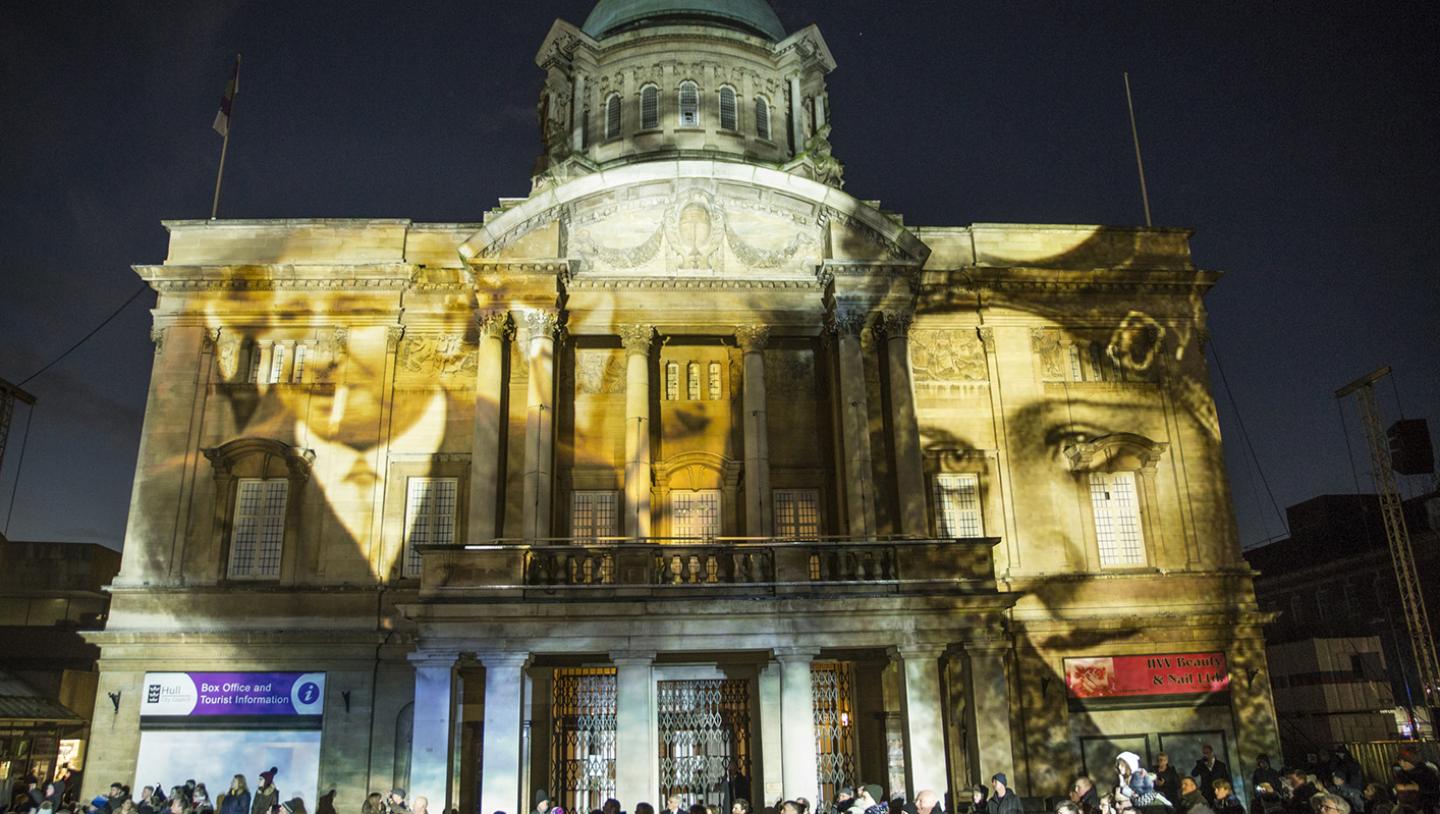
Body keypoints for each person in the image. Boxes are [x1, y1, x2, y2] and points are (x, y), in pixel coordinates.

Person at [1393, 748, 1439, 814]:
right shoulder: (1401, 773)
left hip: (1426, 807)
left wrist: (1415, 787)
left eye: (1405, 761)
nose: (1402, 764)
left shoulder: (1426, 772)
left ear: (1413, 761)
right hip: (1407, 808)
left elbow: (1434, 790)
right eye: (1400, 761)